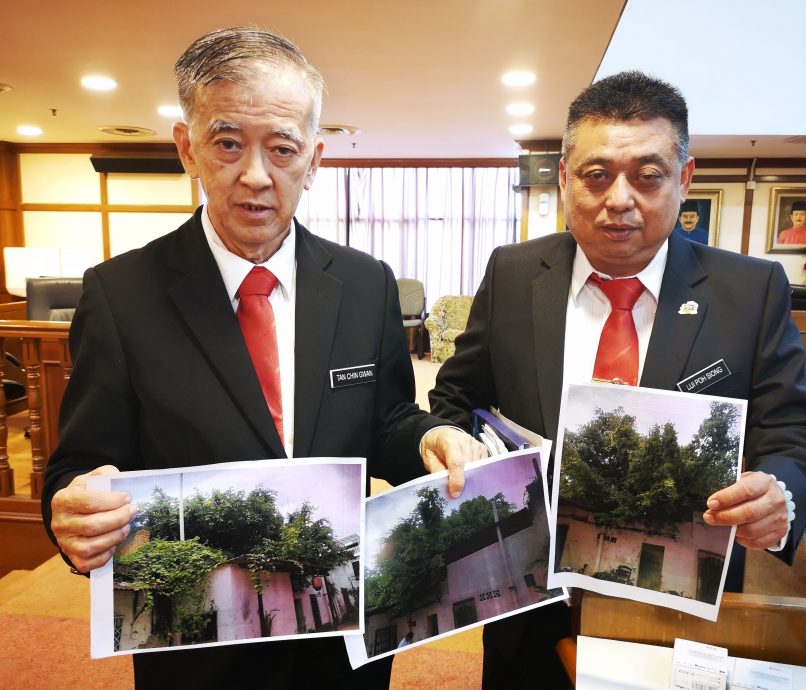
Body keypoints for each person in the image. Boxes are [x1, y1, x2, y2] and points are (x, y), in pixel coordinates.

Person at [40, 27, 484, 690]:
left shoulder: (365, 283)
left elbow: (386, 419)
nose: (255, 175)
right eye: (227, 144)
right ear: (186, 147)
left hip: (339, 629)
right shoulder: (120, 294)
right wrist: (69, 511)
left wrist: (432, 436)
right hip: (196, 644)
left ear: (314, 158)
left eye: (282, 149)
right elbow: (80, 464)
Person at [429, 70, 806, 690]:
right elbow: (456, 398)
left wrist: (782, 492)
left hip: (680, 596)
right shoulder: (513, 274)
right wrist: (445, 437)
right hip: (528, 594)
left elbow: (800, 428)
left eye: (647, 176)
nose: (619, 199)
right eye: (596, 175)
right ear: (565, 179)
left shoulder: (748, 291)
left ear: (685, 179)